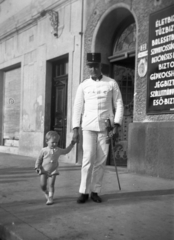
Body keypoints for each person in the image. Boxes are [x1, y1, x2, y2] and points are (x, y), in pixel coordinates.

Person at [72, 52, 124, 204]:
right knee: (87, 159)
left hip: (105, 127)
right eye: (90, 66)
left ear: (100, 66)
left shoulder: (111, 83)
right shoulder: (83, 85)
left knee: (101, 161)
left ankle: (95, 191)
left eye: (95, 66)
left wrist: (116, 125)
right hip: (88, 126)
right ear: (88, 67)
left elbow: (119, 104)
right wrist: (75, 128)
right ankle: (83, 192)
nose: (93, 69)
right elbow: (77, 107)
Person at [35, 131, 76, 205]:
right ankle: (45, 192)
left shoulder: (58, 150)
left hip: (53, 170)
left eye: (56, 142)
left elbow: (66, 151)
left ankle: (50, 198)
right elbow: (39, 159)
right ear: (47, 141)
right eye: (53, 142)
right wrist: (37, 167)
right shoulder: (43, 150)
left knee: (51, 185)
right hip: (44, 170)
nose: (55, 144)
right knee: (42, 185)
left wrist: (72, 144)